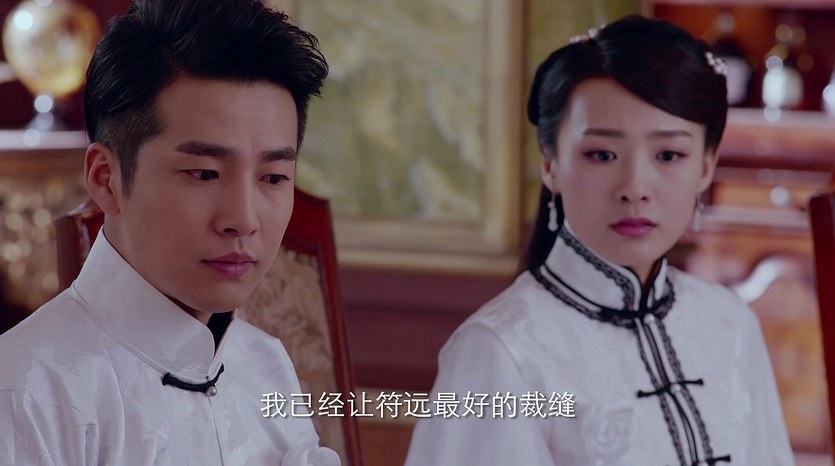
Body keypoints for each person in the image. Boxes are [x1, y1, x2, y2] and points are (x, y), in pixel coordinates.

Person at [405, 15, 793, 466]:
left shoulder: (730, 323)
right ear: (550, 164)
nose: (635, 187)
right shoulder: (500, 350)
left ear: (706, 166)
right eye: (602, 154)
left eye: (669, 154)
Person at [0, 0, 338, 464]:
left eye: (274, 177)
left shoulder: (266, 363)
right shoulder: (25, 395)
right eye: (204, 173)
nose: (243, 219)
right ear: (106, 179)